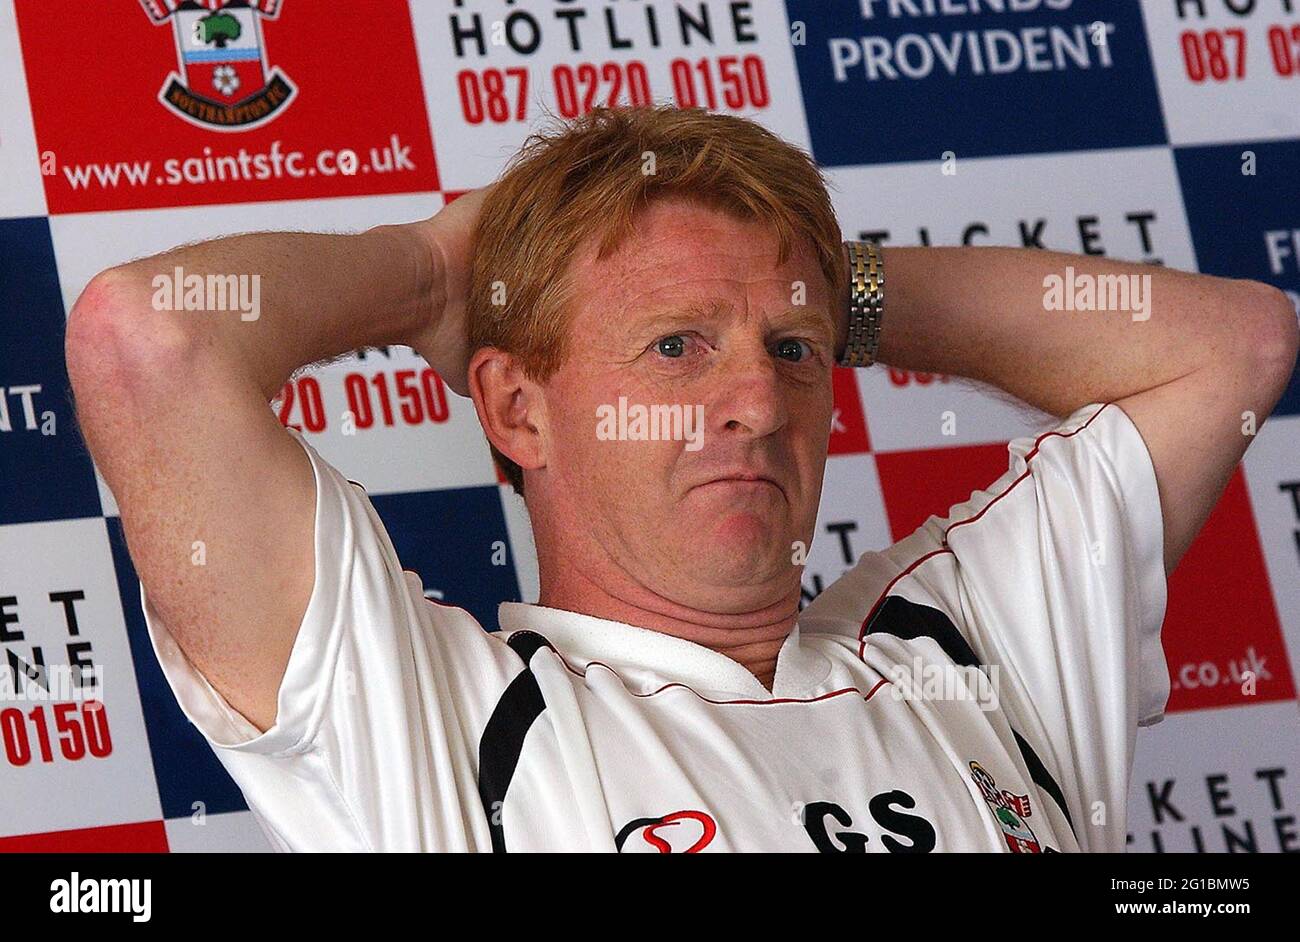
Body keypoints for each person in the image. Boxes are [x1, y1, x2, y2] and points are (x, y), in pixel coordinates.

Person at [66, 105, 1297, 852]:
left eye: (792, 353)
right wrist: (439, 278)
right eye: (675, 346)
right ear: (515, 409)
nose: (755, 403)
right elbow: (149, 339)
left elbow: (1234, 346)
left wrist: (814, 280)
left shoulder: (968, 645)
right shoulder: (430, 721)